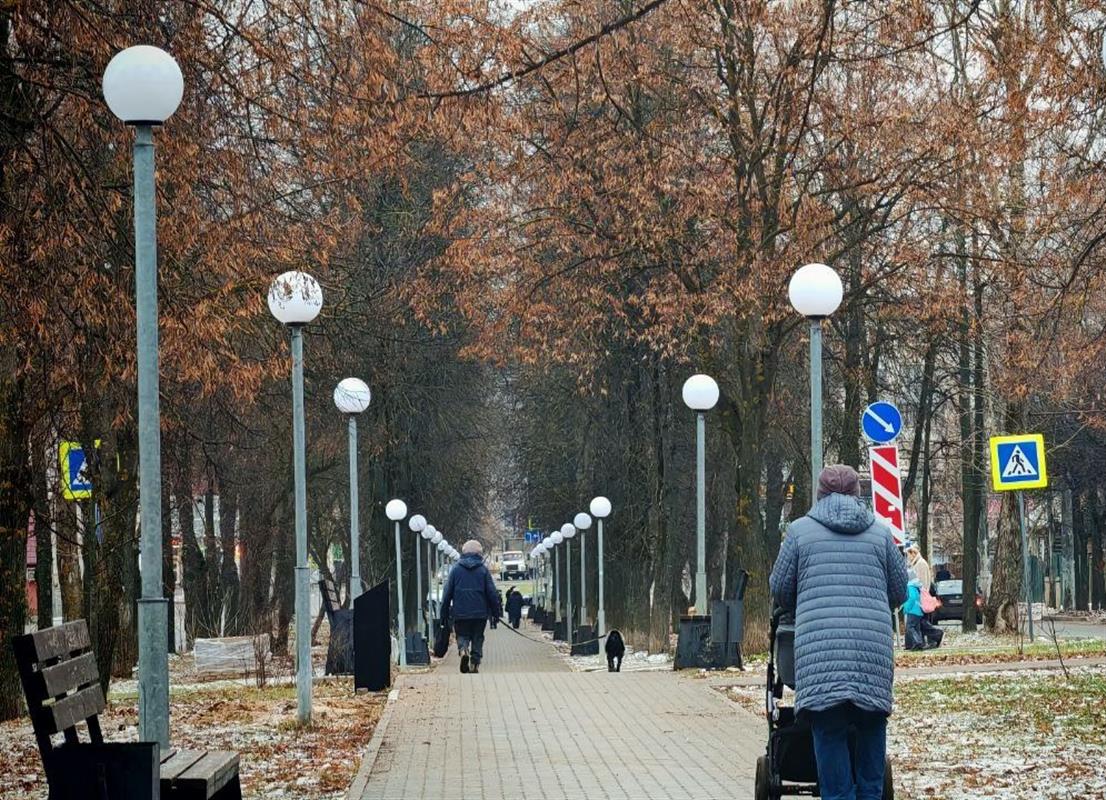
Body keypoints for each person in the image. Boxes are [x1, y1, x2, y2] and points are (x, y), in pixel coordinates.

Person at [769, 464, 908, 800]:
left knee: (829, 730)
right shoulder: (880, 533)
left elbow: (781, 590)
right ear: (857, 495)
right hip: (870, 653)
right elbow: (900, 591)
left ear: (820, 494)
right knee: (871, 726)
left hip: (821, 654)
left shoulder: (799, 532)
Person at [440, 539, 502, 674]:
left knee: (462, 635)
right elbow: (492, 593)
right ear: (479, 553)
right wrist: (496, 613)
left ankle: (463, 650)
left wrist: (443, 613)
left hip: (460, 612)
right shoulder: (483, 570)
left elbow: (447, 593)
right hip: (480, 613)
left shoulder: (456, 570)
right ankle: (475, 664)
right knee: (478, 637)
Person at [903, 573, 944, 651]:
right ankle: (919, 643)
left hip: (913, 610)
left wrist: (906, 609)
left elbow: (912, 598)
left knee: (910, 627)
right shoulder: (917, 586)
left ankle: (917, 642)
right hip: (919, 610)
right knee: (917, 628)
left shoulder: (910, 586)